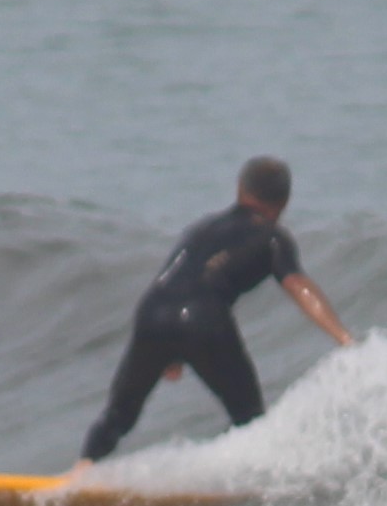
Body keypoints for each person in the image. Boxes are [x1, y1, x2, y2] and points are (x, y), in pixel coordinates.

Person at [66, 155, 351, 475]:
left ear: (240, 189)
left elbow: (178, 282)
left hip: (152, 313)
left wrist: (168, 350)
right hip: (202, 319)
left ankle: (80, 473)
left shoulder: (200, 228)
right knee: (249, 419)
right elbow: (297, 285)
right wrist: (343, 337)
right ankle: (241, 481)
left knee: (119, 415)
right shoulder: (273, 237)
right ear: (284, 201)